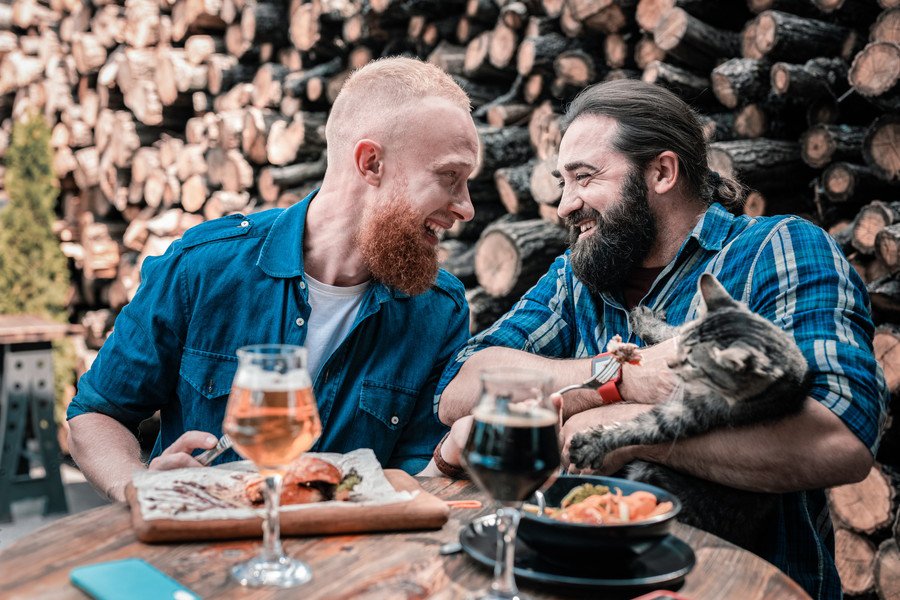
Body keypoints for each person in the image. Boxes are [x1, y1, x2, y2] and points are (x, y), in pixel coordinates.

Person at [434, 79, 887, 600]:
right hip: (575, 576)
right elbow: (461, 387)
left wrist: (625, 429)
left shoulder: (778, 248)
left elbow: (842, 438)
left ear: (663, 172)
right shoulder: (575, 277)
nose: (564, 205)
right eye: (562, 182)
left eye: (584, 178)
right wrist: (617, 379)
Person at [67, 57, 480, 502]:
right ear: (371, 162)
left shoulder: (440, 308)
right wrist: (137, 484)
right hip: (197, 553)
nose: (467, 207)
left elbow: (412, 479)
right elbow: (96, 413)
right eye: (449, 178)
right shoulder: (204, 267)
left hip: (349, 560)